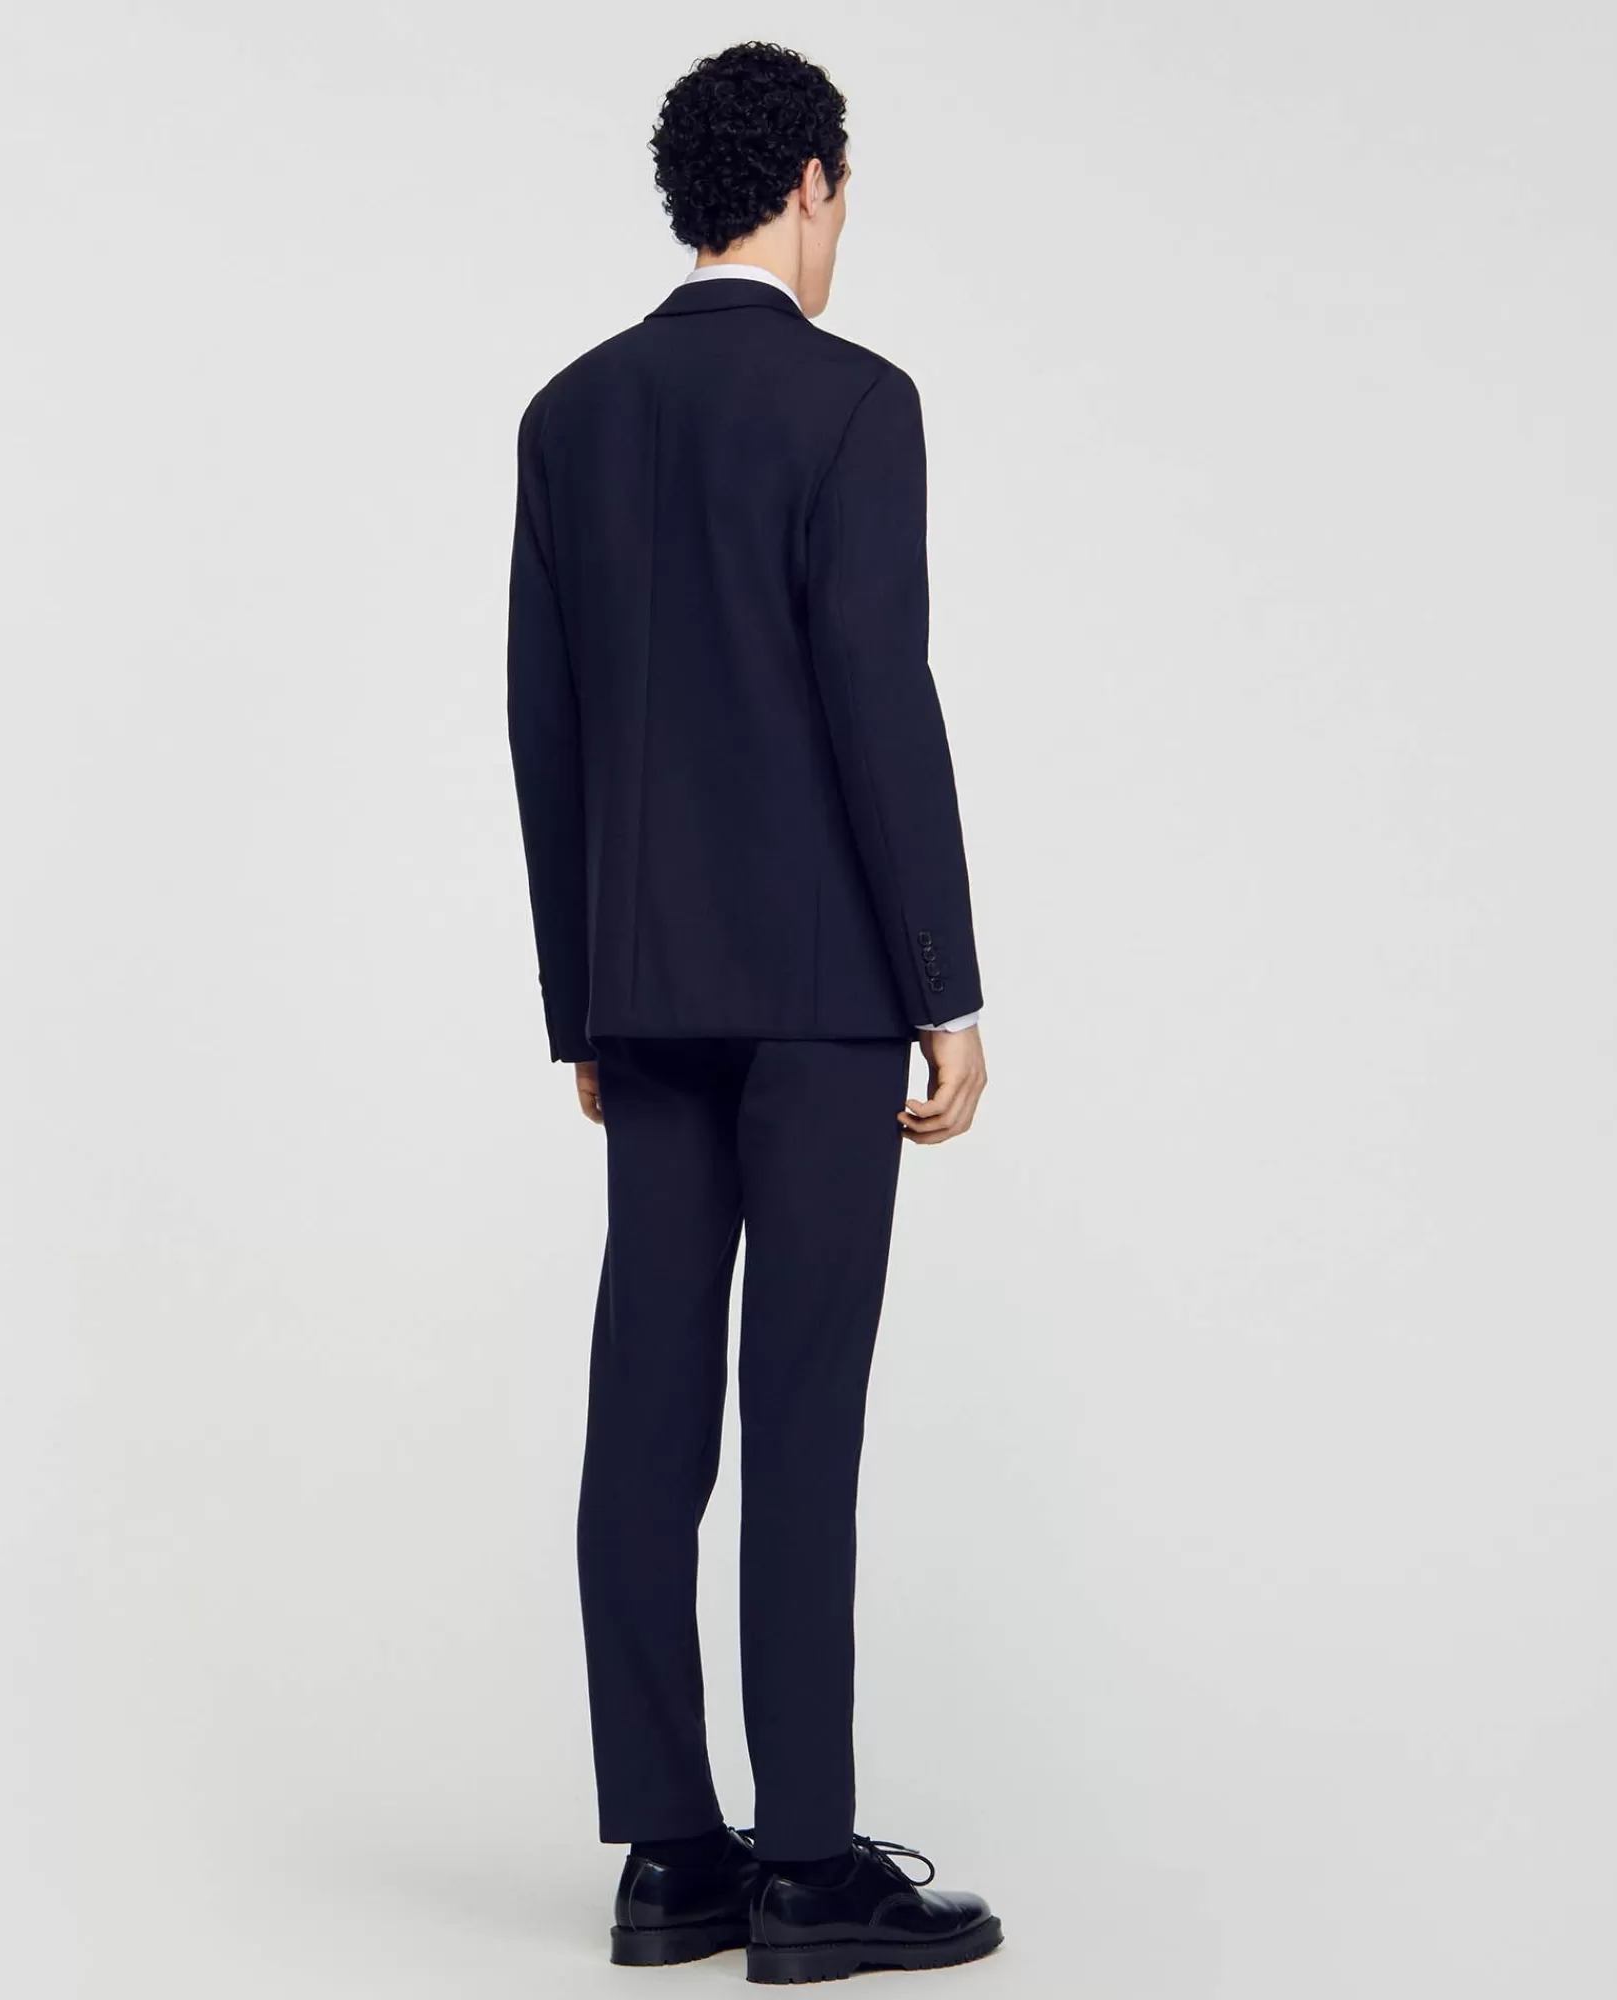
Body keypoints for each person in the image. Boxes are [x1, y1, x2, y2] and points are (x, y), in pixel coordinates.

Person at [506, 41, 1001, 1984]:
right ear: (810, 183)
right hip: (818, 995)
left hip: (644, 991)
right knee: (798, 1408)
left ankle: (667, 1857)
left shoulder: (570, 414)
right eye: (843, 192)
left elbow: (544, 728)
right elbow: (879, 696)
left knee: (647, 1406)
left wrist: (582, 1003)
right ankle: (805, 1867)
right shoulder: (854, 403)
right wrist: (946, 988)